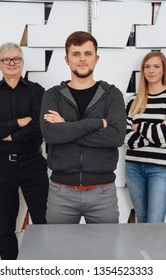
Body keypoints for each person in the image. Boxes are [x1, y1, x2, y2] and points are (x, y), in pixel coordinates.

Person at [40, 31, 127, 224]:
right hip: (61, 192)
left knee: (105, 253)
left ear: (96, 58)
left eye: (87, 54)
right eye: (76, 54)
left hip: (102, 192)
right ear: (66, 59)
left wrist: (66, 128)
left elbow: (116, 136)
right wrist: (96, 123)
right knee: (58, 252)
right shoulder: (52, 95)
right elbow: (50, 134)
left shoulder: (112, 95)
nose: (82, 59)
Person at [0, 42, 48, 260]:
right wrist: (19, 122)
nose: (11, 63)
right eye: (6, 60)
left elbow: (39, 128)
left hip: (33, 163)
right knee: (5, 226)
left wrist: (6, 131)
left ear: (22, 62)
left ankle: (42, 269)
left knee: (43, 222)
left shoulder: (38, 92)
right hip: (1, 165)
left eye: (15, 59)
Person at [124, 51, 166, 223]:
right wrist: (156, 131)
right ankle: (143, 252)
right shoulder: (133, 101)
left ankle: (155, 252)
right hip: (133, 167)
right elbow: (127, 139)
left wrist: (139, 126)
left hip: (160, 169)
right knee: (141, 220)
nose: (151, 71)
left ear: (164, 70)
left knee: (155, 222)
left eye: (156, 66)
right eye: (147, 67)